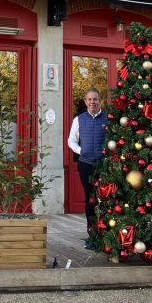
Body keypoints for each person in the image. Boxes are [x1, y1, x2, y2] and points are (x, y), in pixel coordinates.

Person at [67, 87, 105, 249]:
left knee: (105, 200)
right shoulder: (79, 119)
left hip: (104, 166)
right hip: (86, 165)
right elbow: (71, 140)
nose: (92, 102)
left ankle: (106, 234)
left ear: (99, 101)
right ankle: (92, 235)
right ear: (85, 102)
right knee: (90, 199)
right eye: (89, 99)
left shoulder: (108, 119)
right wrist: (81, 150)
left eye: (95, 99)